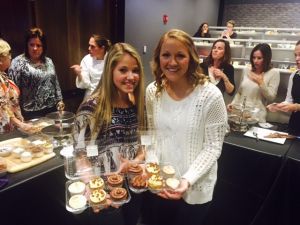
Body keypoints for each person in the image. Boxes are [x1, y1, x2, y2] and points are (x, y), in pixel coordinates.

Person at [143, 29, 227, 225]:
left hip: (194, 188)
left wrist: (187, 180)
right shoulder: (152, 91)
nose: (172, 62)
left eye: (180, 55)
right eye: (166, 55)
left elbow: (213, 147)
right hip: (160, 185)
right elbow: (150, 134)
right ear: (158, 58)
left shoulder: (210, 96)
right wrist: (153, 168)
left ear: (192, 58)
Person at [73, 42, 145, 225]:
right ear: (110, 71)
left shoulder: (136, 105)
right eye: (123, 70)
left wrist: (134, 162)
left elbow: (143, 147)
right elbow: (81, 154)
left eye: (135, 70)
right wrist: (92, 185)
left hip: (132, 188)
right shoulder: (91, 107)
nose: (131, 76)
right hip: (103, 195)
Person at [8, 27, 63, 120]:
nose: (35, 48)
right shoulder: (17, 62)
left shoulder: (48, 61)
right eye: (31, 44)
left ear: (43, 47)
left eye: (38, 45)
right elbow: (12, 91)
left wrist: (60, 100)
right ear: (26, 45)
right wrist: (16, 114)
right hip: (31, 112)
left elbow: (55, 83)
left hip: (52, 109)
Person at [228, 43, 280, 122]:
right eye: (253, 57)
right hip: (240, 115)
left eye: (259, 58)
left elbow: (271, 97)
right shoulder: (246, 70)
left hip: (257, 117)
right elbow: (239, 93)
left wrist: (261, 83)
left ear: (266, 58)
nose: (255, 61)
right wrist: (233, 104)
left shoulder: (274, 73)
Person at [267, 40, 300, 135]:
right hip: (295, 124)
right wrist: (278, 106)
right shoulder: (294, 75)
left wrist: (296, 106)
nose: (297, 58)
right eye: (295, 55)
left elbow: (293, 105)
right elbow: (289, 100)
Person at [0, 39, 32, 133]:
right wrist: (20, 124)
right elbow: (2, 107)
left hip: (13, 128)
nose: (10, 57)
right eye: (8, 55)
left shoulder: (3, 75)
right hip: (5, 131)